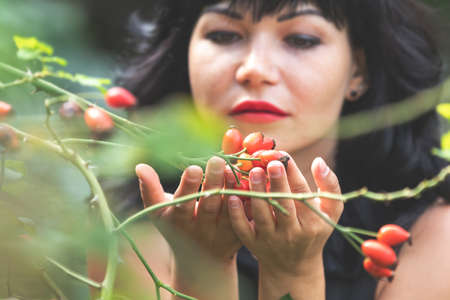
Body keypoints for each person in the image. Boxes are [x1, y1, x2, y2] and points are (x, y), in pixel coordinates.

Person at [114, 0, 450, 299]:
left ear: (358, 71)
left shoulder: (434, 238)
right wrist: (203, 264)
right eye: (224, 35)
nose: (255, 70)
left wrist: (293, 272)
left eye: (301, 39)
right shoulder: (133, 225)